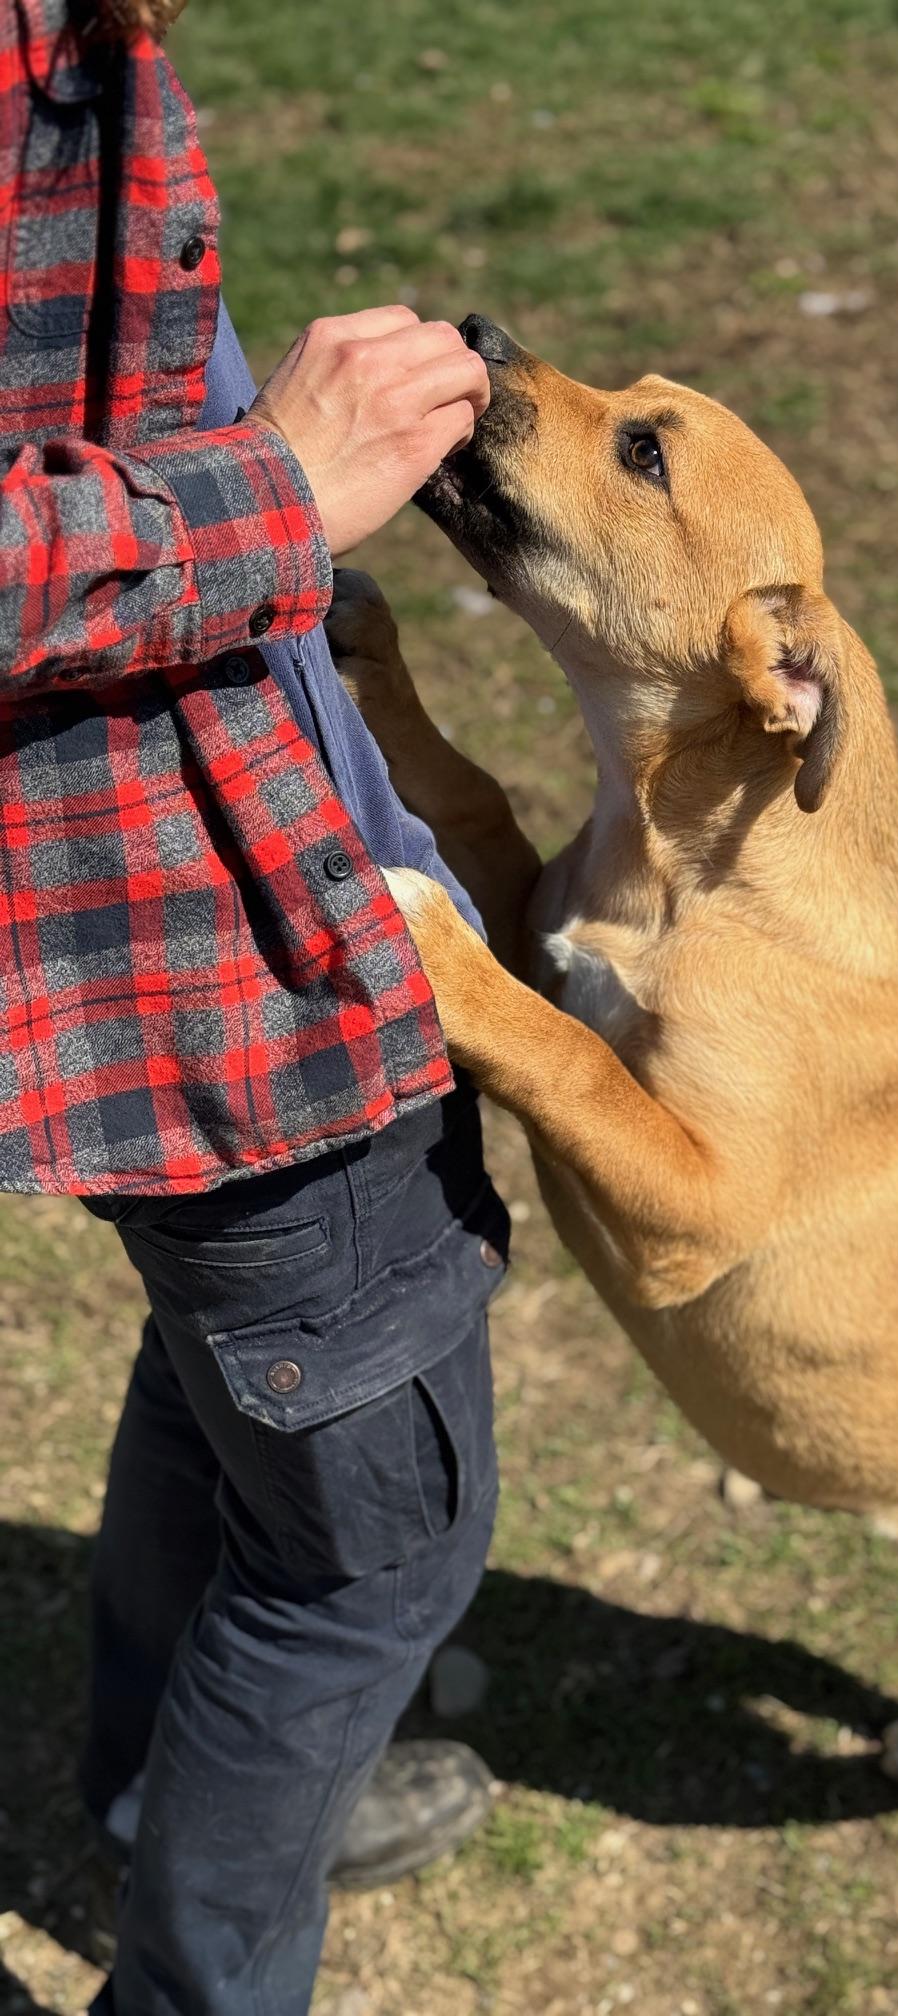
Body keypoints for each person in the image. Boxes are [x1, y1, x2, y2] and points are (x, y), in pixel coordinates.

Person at [1, 3, 512, 2009]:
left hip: (200, 925)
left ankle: (157, 1790)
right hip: (221, 961)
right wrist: (266, 485)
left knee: (232, 1389)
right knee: (367, 1561)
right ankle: (198, 1959)